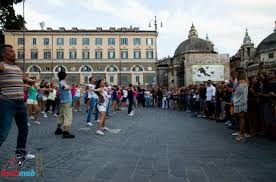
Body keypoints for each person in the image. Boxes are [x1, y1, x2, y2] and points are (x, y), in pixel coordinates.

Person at [0, 44, 35, 162]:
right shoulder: (2, 66)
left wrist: (29, 82)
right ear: (3, 54)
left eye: (13, 51)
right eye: (10, 51)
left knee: (24, 129)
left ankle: (20, 153)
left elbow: (24, 80)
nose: (14, 53)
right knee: (3, 132)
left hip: (20, 103)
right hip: (7, 102)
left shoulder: (17, 68)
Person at [54, 71, 75, 138]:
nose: (67, 76)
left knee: (62, 116)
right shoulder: (62, 82)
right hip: (67, 102)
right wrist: (69, 88)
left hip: (64, 101)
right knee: (68, 117)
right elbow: (64, 88)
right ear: (64, 76)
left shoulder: (61, 82)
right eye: (66, 75)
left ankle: (58, 129)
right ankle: (66, 132)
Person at [233, 70, 248, 142]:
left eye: (237, 74)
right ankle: (242, 133)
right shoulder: (241, 83)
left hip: (241, 102)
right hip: (239, 102)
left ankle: (242, 135)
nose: (236, 75)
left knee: (241, 119)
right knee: (240, 119)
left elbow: (239, 93)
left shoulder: (243, 84)